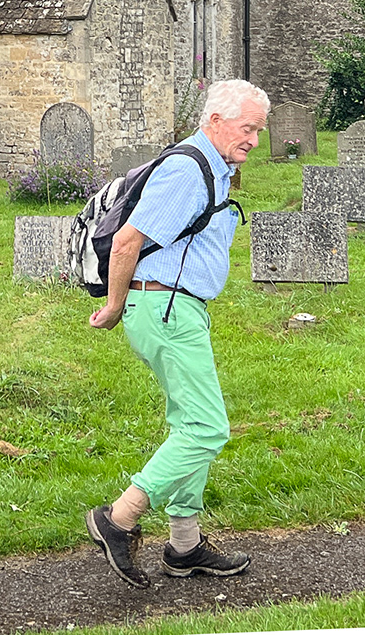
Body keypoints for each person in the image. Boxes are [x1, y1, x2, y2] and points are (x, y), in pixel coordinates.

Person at [84, 77, 270, 590]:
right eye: (247, 127)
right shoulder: (188, 169)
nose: (254, 139)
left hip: (178, 308)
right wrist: (116, 304)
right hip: (164, 307)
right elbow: (127, 242)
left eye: (259, 130)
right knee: (208, 429)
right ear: (214, 120)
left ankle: (184, 546)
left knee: (190, 423)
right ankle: (118, 519)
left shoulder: (212, 167)